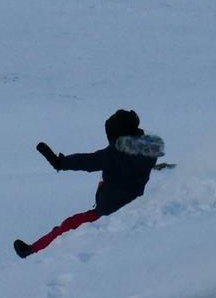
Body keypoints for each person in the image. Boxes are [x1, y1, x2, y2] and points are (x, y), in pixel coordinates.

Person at [13, 108, 164, 258]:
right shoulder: (148, 150)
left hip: (108, 210)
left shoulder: (115, 155)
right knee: (72, 224)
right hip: (129, 202)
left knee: (68, 227)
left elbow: (87, 161)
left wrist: (60, 162)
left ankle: (31, 251)